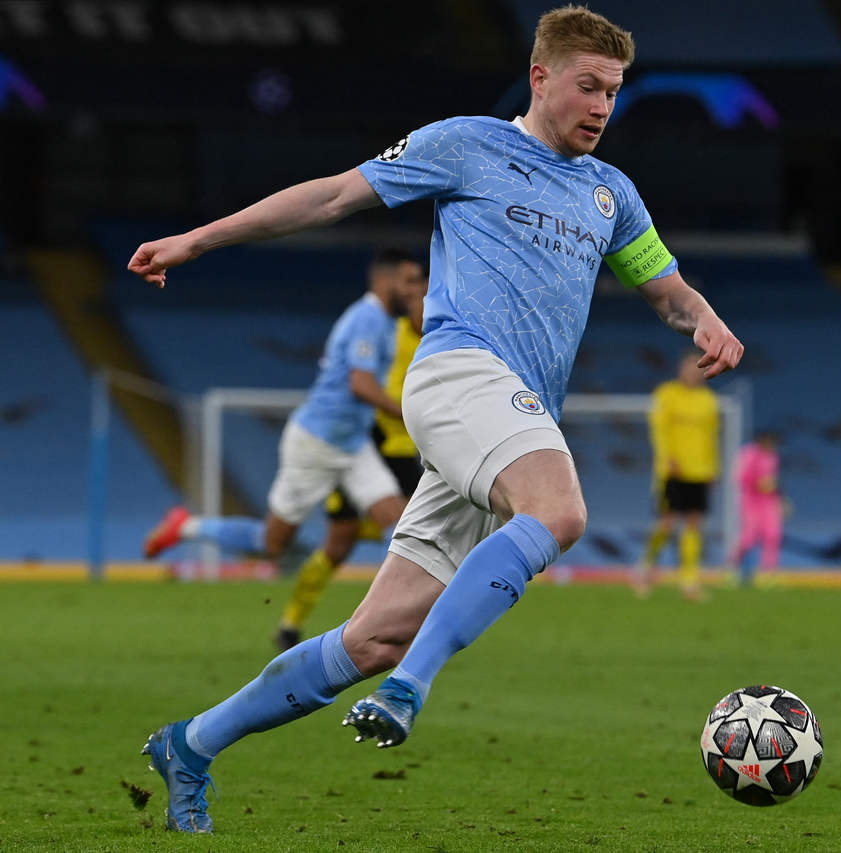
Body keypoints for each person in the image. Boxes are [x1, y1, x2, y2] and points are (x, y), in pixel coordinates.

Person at [128, 5, 742, 834]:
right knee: (558, 512)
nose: (602, 106)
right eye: (588, 86)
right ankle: (410, 687)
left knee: (369, 637)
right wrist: (199, 240)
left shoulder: (611, 195)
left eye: (614, 92)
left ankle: (191, 745)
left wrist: (703, 316)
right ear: (541, 76)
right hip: (458, 376)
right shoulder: (468, 144)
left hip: (512, 416)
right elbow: (335, 195)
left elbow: (664, 289)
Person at [142, 249, 424, 573]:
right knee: (271, 543)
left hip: (353, 444)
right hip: (317, 443)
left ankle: (404, 611)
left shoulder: (387, 322)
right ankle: (185, 527)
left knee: (400, 524)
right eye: (408, 281)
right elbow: (360, 384)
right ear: (382, 279)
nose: (414, 289)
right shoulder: (368, 318)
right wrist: (408, 413)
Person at [274, 262, 430, 651]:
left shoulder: (441, 341)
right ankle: (291, 620)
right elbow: (360, 382)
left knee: (414, 533)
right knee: (338, 543)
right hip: (370, 444)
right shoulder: (385, 331)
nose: (418, 301)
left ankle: (400, 625)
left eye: (423, 293)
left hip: (409, 453)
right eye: (412, 292)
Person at [634, 351, 720, 600]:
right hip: (673, 470)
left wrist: (714, 467)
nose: (693, 373)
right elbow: (658, 430)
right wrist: (666, 457)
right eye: (688, 368)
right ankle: (646, 568)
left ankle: (689, 581)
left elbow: (711, 436)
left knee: (694, 523)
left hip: (700, 470)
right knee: (667, 523)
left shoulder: (708, 400)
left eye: (696, 369)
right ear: (680, 369)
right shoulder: (666, 394)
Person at [731, 430, 783, 587]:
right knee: (749, 537)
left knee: (773, 535)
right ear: (760, 442)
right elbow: (740, 478)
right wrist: (757, 484)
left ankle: (768, 573)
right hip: (750, 500)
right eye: (769, 443)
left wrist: (779, 498)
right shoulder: (748, 454)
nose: (772, 446)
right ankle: (733, 566)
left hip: (768, 501)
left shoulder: (772, 457)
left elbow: (772, 481)